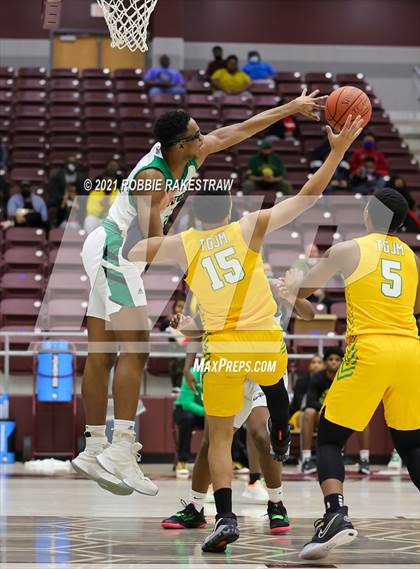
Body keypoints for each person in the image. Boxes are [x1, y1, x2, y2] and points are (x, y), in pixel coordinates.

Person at [72, 91, 328, 498]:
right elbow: (152, 239)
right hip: (116, 252)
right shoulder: (152, 179)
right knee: (135, 350)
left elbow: (240, 130)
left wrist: (290, 108)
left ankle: (92, 448)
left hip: (112, 253)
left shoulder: (193, 153)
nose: (204, 136)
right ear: (178, 145)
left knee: (102, 353)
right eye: (195, 134)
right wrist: (195, 258)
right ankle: (120, 447)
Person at [128, 114, 364, 552]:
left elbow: (136, 249)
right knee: (273, 384)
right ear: (232, 210)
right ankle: (281, 423)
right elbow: (308, 198)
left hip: (222, 349)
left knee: (217, 438)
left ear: (192, 219)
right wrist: (336, 152)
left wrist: (155, 207)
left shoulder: (185, 245)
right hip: (263, 342)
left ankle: (227, 517)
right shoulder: (247, 227)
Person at [289, 188, 420, 560]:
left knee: (329, 438)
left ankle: (335, 516)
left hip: (371, 348)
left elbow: (306, 290)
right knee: (411, 445)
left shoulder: (349, 249)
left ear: (369, 213)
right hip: (411, 350)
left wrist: (290, 286)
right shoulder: (410, 256)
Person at [163, 279, 314, 533]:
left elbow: (309, 314)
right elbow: (198, 331)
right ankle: (195, 507)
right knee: (212, 441)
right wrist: (185, 330)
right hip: (230, 368)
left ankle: (276, 504)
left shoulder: (268, 285)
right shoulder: (218, 290)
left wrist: (292, 297)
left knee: (260, 434)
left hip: (262, 370)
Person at [173, 365, 205, 478]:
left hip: (207, 412)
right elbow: (187, 404)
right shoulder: (192, 372)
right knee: (188, 418)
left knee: (229, 418)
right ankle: (182, 461)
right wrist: (208, 412)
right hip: (185, 409)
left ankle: (235, 460)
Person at [289, 355, 324, 430]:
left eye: (319, 362)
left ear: (324, 366)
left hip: (321, 411)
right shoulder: (301, 381)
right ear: (309, 366)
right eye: (313, 362)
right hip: (301, 411)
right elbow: (301, 403)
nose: (316, 365)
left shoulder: (328, 380)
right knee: (307, 414)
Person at [293, 244, 332, 312]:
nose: (312, 254)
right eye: (310, 251)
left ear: (318, 254)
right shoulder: (298, 264)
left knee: (330, 304)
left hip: (320, 295)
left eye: (314, 251)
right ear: (305, 253)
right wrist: (312, 289)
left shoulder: (323, 264)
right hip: (303, 295)